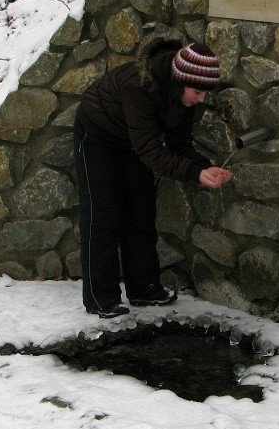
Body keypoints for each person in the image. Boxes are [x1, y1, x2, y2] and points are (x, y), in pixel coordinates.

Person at [73, 37, 232, 318]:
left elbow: (178, 142)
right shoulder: (140, 86)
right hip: (98, 135)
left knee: (141, 212)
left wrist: (204, 166)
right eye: (197, 91)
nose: (201, 99)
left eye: (205, 93)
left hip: (135, 141)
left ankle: (144, 287)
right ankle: (101, 297)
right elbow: (149, 150)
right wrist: (194, 172)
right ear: (180, 80)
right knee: (103, 215)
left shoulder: (183, 95)